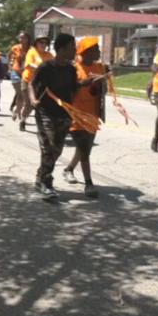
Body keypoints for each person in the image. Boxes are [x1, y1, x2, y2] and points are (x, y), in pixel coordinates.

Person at [29, 33, 79, 201]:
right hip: (45, 112)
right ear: (62, 49)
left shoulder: (71, 69)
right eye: (72, 47)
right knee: (48, 147)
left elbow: (74, 90)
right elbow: (31, 84)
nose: (75, 50)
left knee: (56, 150)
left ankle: (40, 176)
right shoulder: (45, 67)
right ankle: (46, 182)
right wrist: (32, 99)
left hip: (64, 114)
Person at [61, 37, 107, 198]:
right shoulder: (73, 69)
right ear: (87, 52)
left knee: (84, 148)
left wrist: (103, 83)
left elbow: (103, 92)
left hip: (92, 114)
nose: (99, 52)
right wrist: (84, 83)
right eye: (96, 50)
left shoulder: (99, 67)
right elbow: (68, 92)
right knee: (84, 148)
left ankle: (68, 169)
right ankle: (89, 184)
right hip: (77, 115)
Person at [20, 34, 53, 131]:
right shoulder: (32, 52)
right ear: (36, 43)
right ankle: (23, 120)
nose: (43, 44)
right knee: (29, 105)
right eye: (41, 42)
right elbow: (28, 65)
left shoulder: (49, 55)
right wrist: (41, 69)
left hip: (40, 84)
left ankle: (42, 126)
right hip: (28, 81)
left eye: (45, 43)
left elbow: (54, 65)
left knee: (41, 105)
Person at [8, 32, 31, 122]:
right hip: (16, 72)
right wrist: (9, 67)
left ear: (28, 39)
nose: (21, 40)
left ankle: (16, 110)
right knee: (20, 94)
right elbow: (9, 55)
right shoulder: (15, 48)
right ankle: (19, 113)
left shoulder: (31, 49)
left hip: (26, 73)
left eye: (23, 38)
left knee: (24, 96)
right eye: (20, 38)